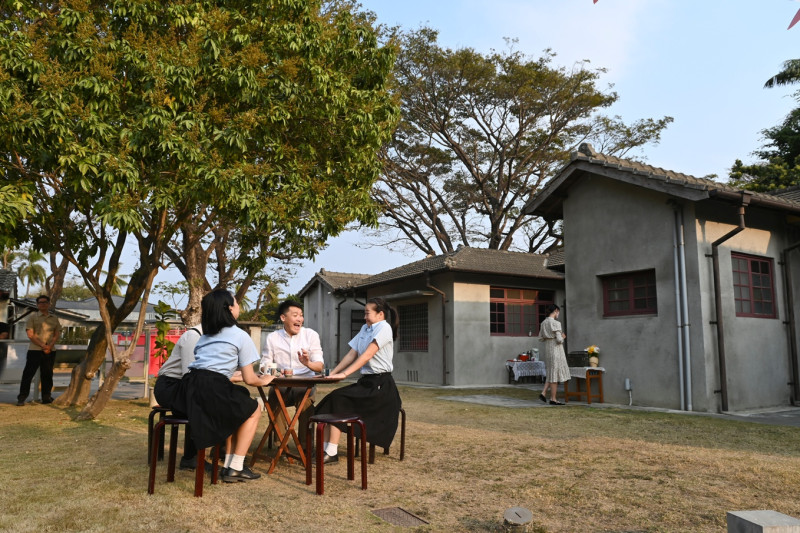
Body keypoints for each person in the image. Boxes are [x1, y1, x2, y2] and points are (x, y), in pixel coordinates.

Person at [174, 289, 274, 482]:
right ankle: (235, 467)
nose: (238, 306)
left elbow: (208, 367)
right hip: (213, 386)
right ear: (230, 309)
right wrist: (265, 380)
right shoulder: (240, 335)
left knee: (241, 400)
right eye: (236, 303)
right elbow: (250, 378)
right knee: (254, 409)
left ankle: (229, 462)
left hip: (191, 386)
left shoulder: (204, 336)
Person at [314, 297, 402, 464]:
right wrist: (333, 372)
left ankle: (331, 452)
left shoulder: (384, 328)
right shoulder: (365, 328)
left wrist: (345, 375)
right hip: (366, 383)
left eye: (367, 313)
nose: (364, 317)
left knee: (338, 399)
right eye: (364, 313)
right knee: (331, 400)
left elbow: (368, 354)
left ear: (380, 314)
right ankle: (325, 449)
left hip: (381, 386)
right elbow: (352, 353)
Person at [260, 300, 323, 445]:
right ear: (283, 318)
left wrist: (308, 363)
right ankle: (282, 446)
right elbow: (264, 366)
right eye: (295, 315)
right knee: (274, 400)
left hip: (305, 385)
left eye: (301, 315)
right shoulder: (272, 337)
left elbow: (319, 366)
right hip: (280, 385)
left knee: (306, 404)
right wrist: (277, 371)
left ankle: (306, 448)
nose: (299, 319)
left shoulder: (311, 335)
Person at [153, 323, 205, 470]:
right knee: (205, 407)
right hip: (171, 386)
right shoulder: (193, 337)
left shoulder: (206, 338)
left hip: (183, 385)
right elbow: (190, 375)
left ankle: (219, 451)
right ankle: (190, 457)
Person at [17, 295, 62, 406]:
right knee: (28, 374)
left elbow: (57, 333)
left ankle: (46, 397)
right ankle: (22, 398)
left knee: (47, 374)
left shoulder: (54, 318)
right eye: (40, 302)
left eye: (45, 302)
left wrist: (50, 346)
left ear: (48, 304)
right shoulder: (32, 317)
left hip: (50, 350)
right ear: (37, 305)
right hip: (35, 350)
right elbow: (30, 334)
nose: (43, 304)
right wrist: (43, 345)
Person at [538, 304, 570, 405]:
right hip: (556, 350)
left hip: (548, 349)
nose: (558, 314)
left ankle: (545, 393)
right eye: (558, 311)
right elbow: (559, 340)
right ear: (556, 311)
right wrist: (563, 337)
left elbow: (540, 338)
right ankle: (553, 399)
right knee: (554, 374)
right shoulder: (556, 323)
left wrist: (549, 337)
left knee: (552, 372)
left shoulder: (543, 323)